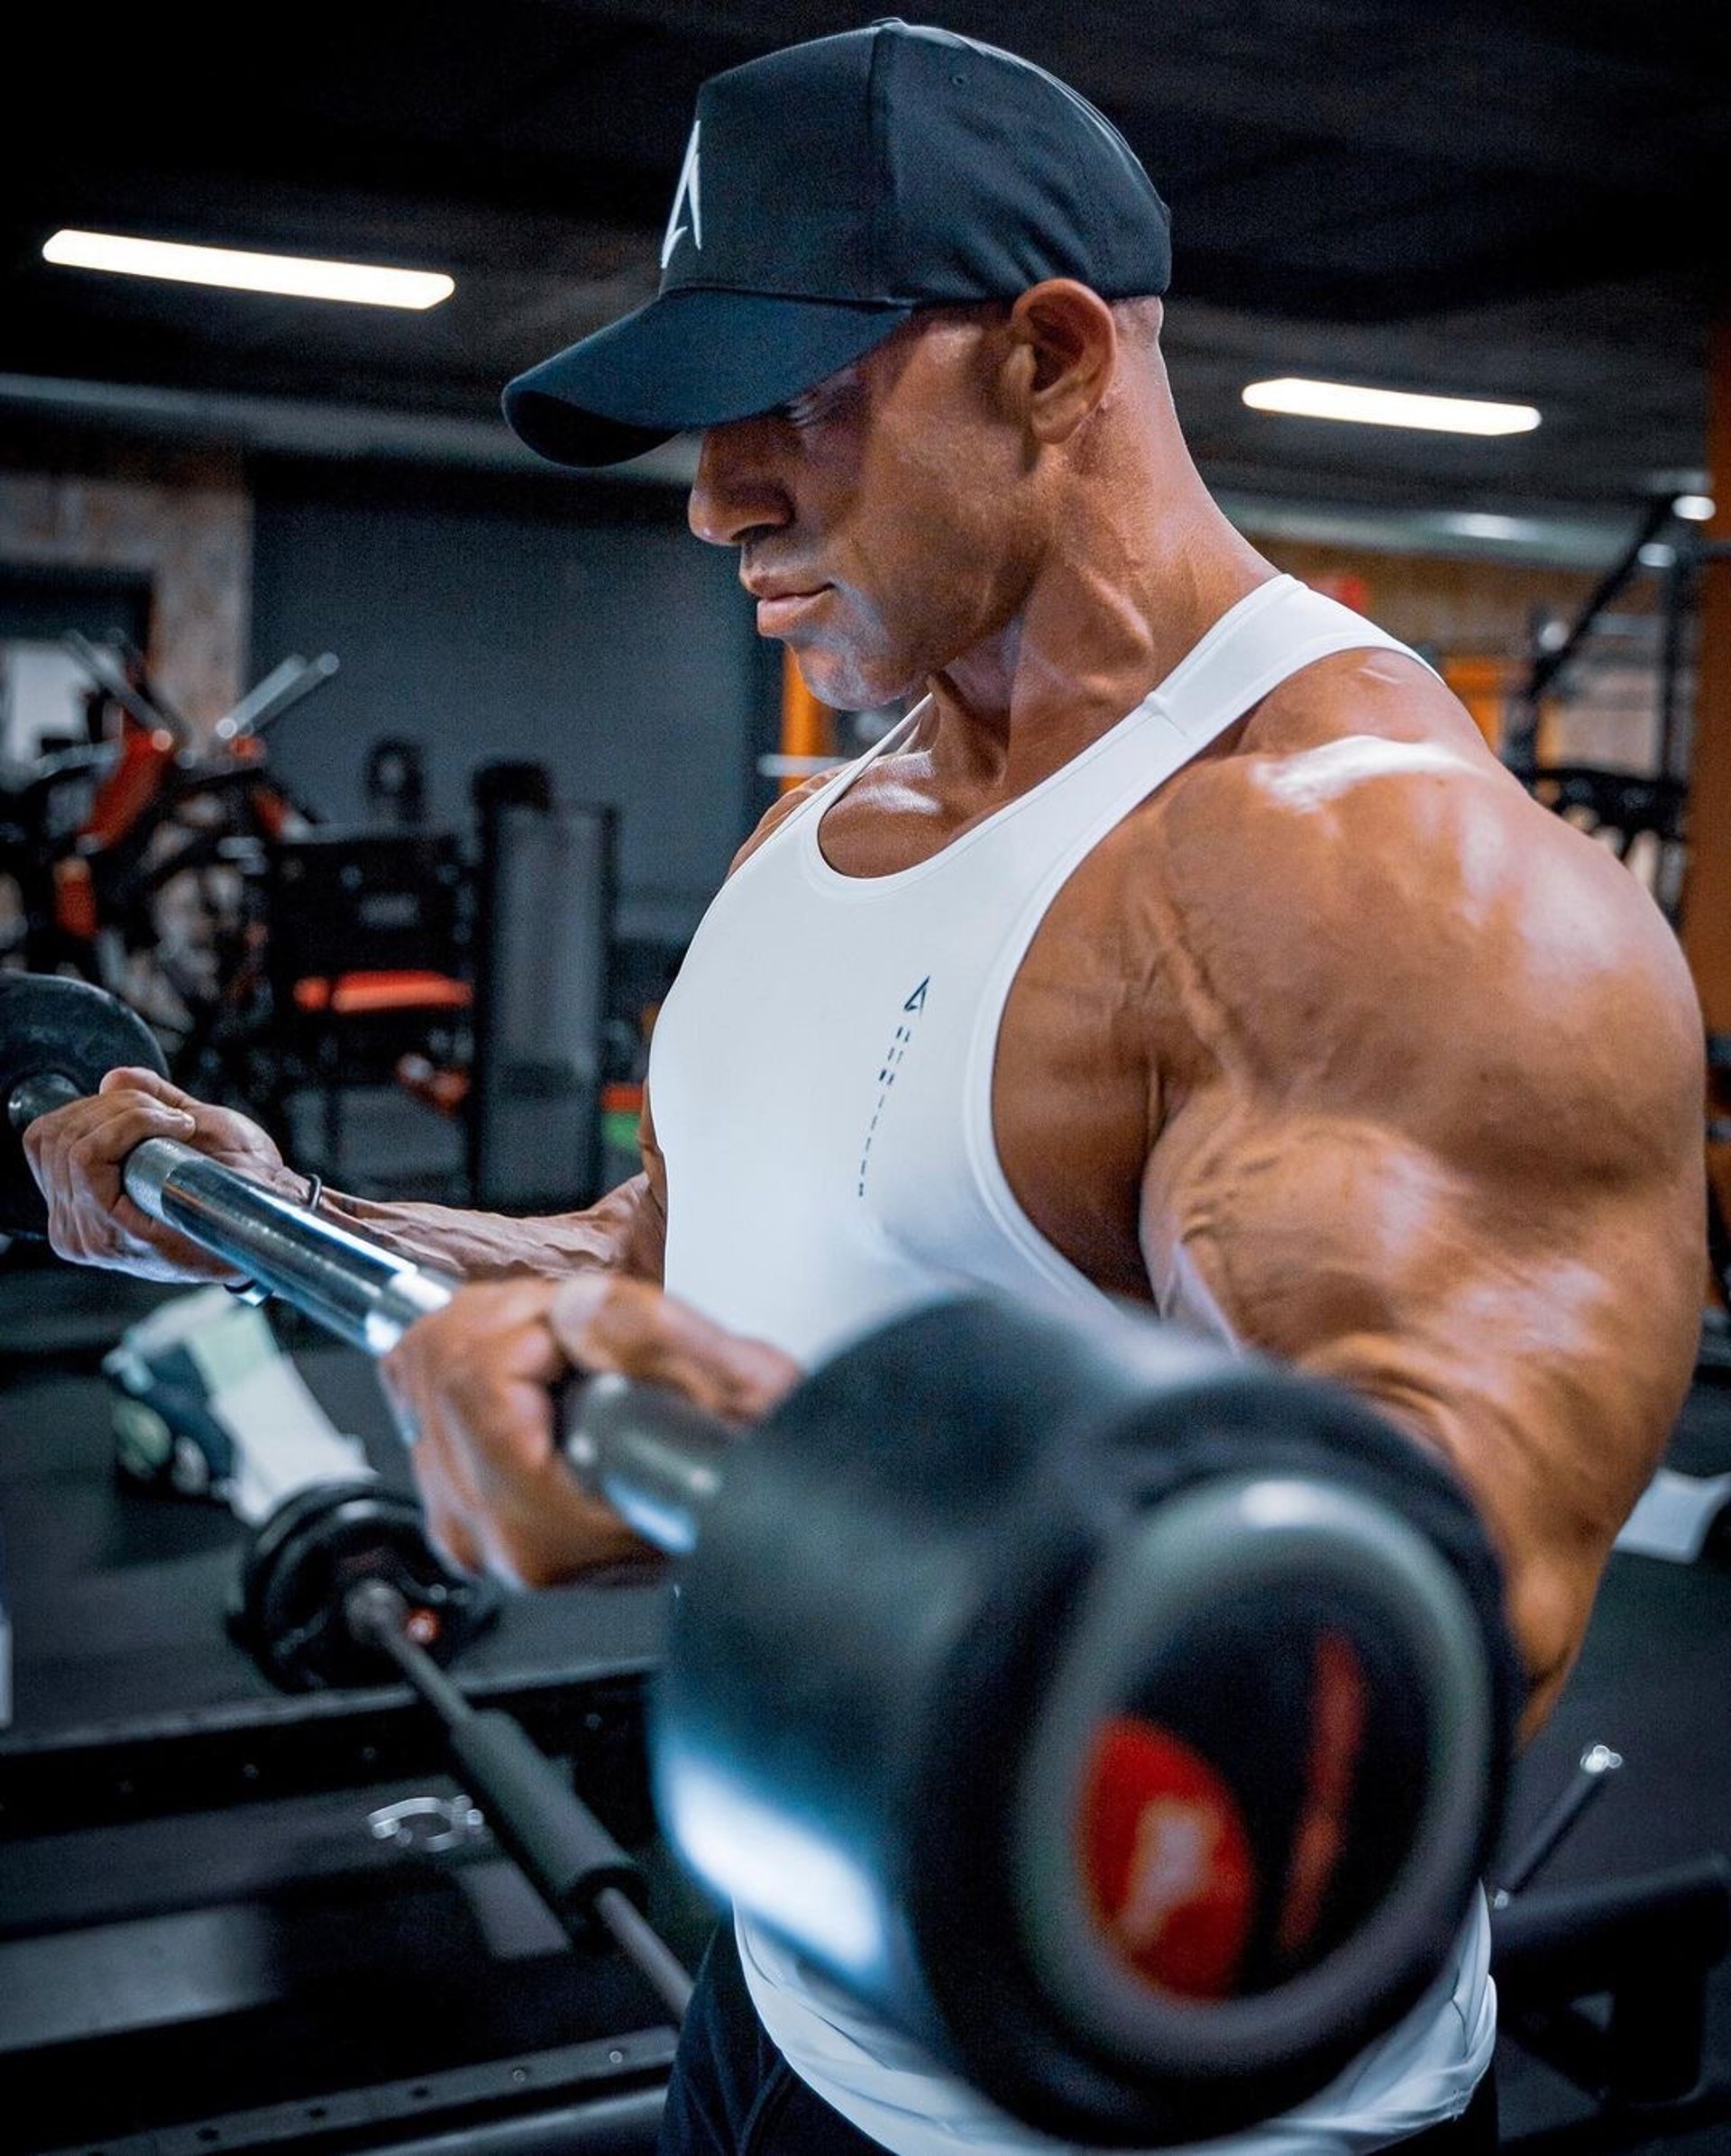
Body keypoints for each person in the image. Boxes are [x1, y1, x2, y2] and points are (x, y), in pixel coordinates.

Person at [22, 19, 1707, 2156]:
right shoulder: (821, 825)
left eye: (796, 395)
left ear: (1054, 358)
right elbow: (665, 1264)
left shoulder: (1371, 875)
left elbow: (1390, 1666)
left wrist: (777, 1478)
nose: (715, 493)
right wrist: (269, 1210)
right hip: (788, 2007)